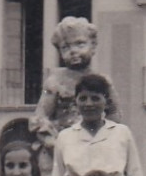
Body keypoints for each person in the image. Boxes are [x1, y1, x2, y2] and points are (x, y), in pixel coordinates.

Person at [49, 74, 146, 176]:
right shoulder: (65, 137)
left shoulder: (121, 133)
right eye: (83, 98)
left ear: (106, 102)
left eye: (95, 98)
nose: (89, 104)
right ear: (75, 102)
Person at [32, 17, 113, 149]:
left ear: (93, 45)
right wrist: (50, 140)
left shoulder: (104, 81)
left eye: (80, 44)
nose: (73, 51)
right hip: (62, 144)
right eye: (65, 47)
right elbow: (40, 116)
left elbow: (114, 114)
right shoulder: (54, 82)